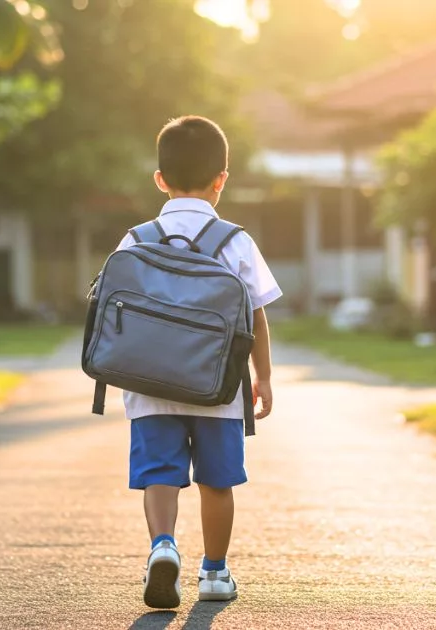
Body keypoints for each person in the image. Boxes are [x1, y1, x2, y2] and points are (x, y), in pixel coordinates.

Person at [113, 116, 281, 608]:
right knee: (217, 482)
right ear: (221, 179)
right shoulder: (235, 241)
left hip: (148, 383)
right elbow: (255, 315)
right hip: (219, 387)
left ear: (160, 180)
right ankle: (214, 572)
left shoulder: (136, 239)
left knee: (159, 475)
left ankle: (163, 547)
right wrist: (263, 376)